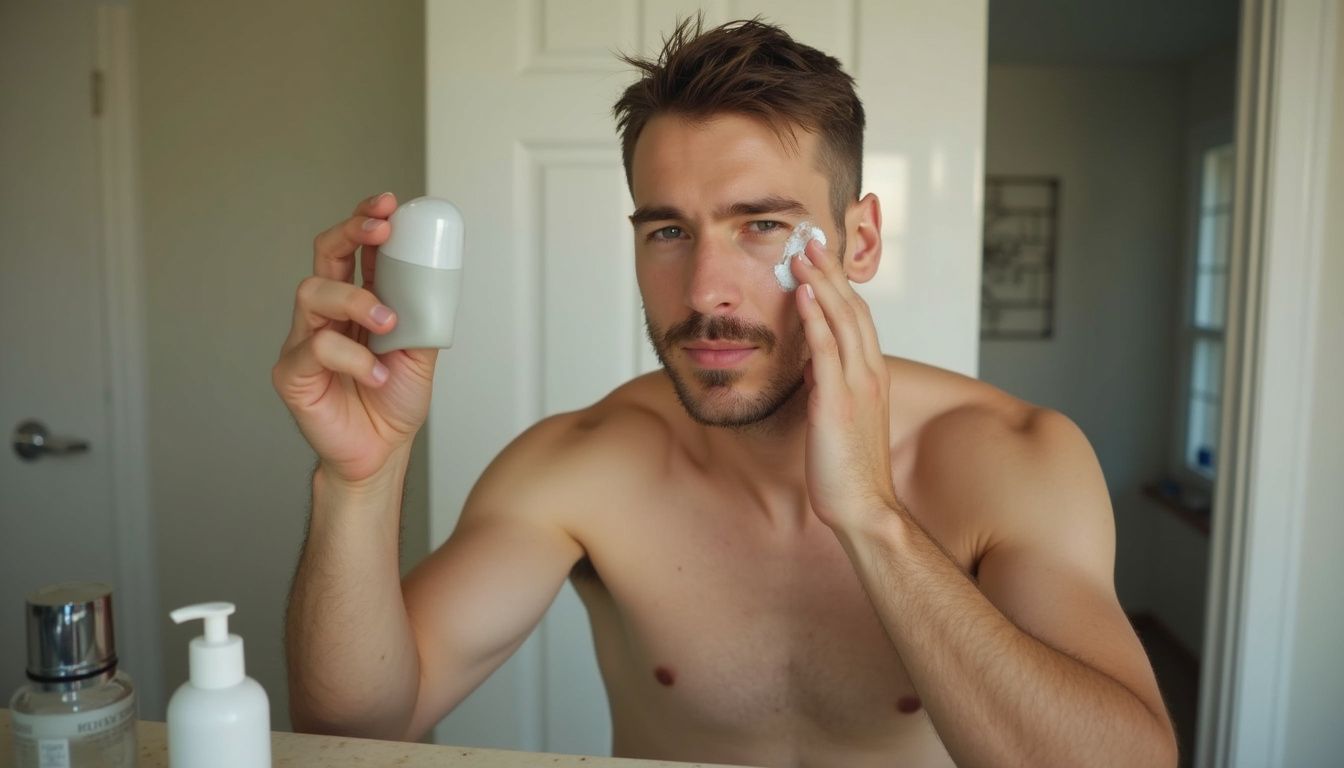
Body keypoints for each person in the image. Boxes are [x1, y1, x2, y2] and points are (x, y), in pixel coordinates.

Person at [274, 17, 1177, 768]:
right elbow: (356, 726)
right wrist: (361, 479)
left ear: (858, 241)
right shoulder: (582, 464)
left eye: (762, 227)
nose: (706, 290)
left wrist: (871, 516)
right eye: (669, 230)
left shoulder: (1015, 457)